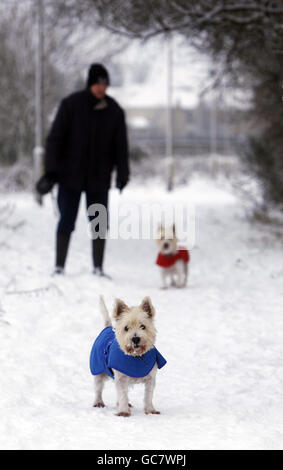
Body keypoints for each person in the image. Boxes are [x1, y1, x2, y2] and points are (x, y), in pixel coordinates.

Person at [36, 63, 129, 276]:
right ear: (90, 84)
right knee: (66, 220)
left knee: (98, 223)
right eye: (97, 83)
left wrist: (123, 174)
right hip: (70, 176)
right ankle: (59, 266)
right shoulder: (71, 105)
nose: (101, 88)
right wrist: (51, 171)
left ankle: (98, 267)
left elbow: (121, 147)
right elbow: (54, 140)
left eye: (105, 84)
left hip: (99, 177)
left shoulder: (114, 111)